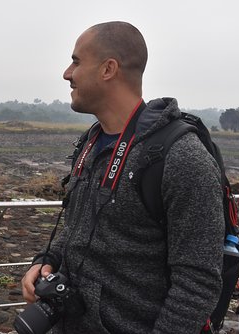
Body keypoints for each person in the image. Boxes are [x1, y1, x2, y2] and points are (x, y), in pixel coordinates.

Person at [20, 21, 224, 333]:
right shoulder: (91, 142)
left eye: (76, 61)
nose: (66, 73)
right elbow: (79, 226)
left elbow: (198, 283)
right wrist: (46, 259)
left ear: (108, 69)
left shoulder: (181, 157)